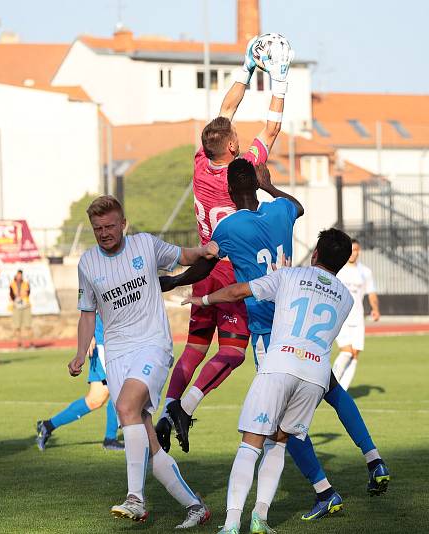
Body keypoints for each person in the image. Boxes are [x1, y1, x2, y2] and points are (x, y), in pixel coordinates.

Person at [164, 161, 390, 520]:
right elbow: (297, 206)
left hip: (272, 331)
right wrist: (270, 187)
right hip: (304, 323)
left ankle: (321, 490)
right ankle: (373, 458)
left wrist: (177, 282)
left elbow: (207, 266)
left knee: (279, 426)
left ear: (228, 189)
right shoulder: (281, 210)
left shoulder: (228, 225)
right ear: (255, 184)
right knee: (332, 390)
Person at [157, 34, 291, 455]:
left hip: (202, 265)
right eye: (234, 134)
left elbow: (224, 112)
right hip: (231, 270)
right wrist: (280, 81)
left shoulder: (201, 162)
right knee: (232, 352)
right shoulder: (243, 168)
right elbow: (272, 127)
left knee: (195, 346)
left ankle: (168, 410)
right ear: (232, 147)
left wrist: (247, 68)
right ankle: (186, 408)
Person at [182, 228, 355, 534]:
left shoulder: (288, 276)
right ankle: (260, 518)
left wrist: (203, 298)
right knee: (280, 443)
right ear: (342, 263)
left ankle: (232, 523)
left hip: (279, 365)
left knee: (251, 444)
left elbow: (238, 292)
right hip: (315, 376)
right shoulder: (347, 298)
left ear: (315, 254)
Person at [70, 195, 216, 527]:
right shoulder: (87, 264)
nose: (104, 233)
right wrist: (81, 352)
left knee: (124, 407)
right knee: (149, 443)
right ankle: (195, 506)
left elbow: (184, 256)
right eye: (97, 228)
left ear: (123, 224)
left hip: (153, 344)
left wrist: (206, 249)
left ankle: (135, 498)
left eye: (109, 226)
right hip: (118, 355)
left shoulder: (145, 245)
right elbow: (87, 314)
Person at [36, 312, 123, 451]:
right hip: (102, 343)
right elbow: (88, 304)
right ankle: (110, 439)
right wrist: (89, 334)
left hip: (116, 342)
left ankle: (47, 426)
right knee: (119, 389)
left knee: (95, 399)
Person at [332, 239, 380, 389]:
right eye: (351, 250)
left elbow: (371, 293)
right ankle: (329, 385)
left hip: (358, 317)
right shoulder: (338, 269)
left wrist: (375, 309)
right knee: (346, 352)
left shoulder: (365, 272)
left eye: (356, 250)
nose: (354, 253)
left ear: (360, 251)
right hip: (341, 317)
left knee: (354, 355)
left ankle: (342, 391)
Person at [10, 269, 32, 348]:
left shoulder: (26, 283)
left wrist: (22, 294)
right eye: (18, 275)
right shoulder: (12, 284)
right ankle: (19, 343)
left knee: (28, 325)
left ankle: (29, 343)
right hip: (16, 306)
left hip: (25, 306)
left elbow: (28, 292)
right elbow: (11, 295)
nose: (19, 277)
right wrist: (15, 296)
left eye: (20, 275)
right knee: (17, 326)